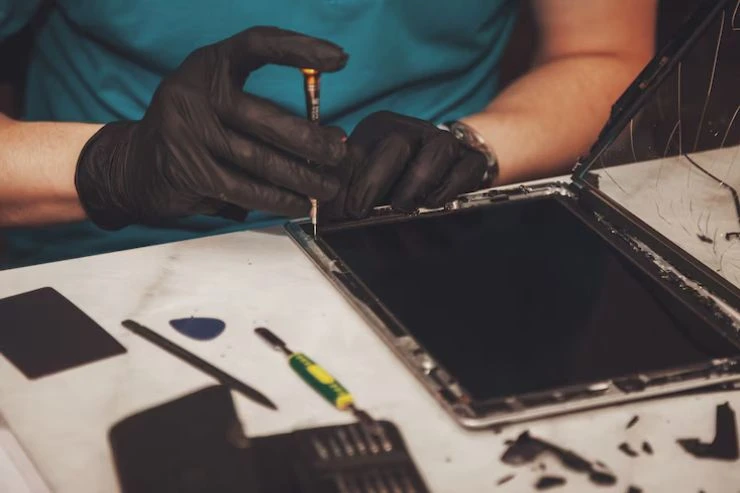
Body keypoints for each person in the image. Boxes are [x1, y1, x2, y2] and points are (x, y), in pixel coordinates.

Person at [0, 1, 657, 269]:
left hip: (432, 245)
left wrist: (472, 148)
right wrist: (113, 165)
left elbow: (604, 54)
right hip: (102, 262)